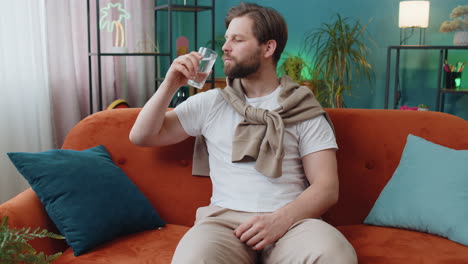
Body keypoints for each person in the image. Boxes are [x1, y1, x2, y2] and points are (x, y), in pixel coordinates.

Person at [129, 2, 357, 263]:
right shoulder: (211, 102)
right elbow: (142, 136)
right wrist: (170, 84)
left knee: (335, 255)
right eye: (227, 39)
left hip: (293, 222)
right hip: (224, 223)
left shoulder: (303, 106)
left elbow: (327, 187)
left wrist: (280, 220)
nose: (225, 47)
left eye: (237, 39)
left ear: (268, 48)